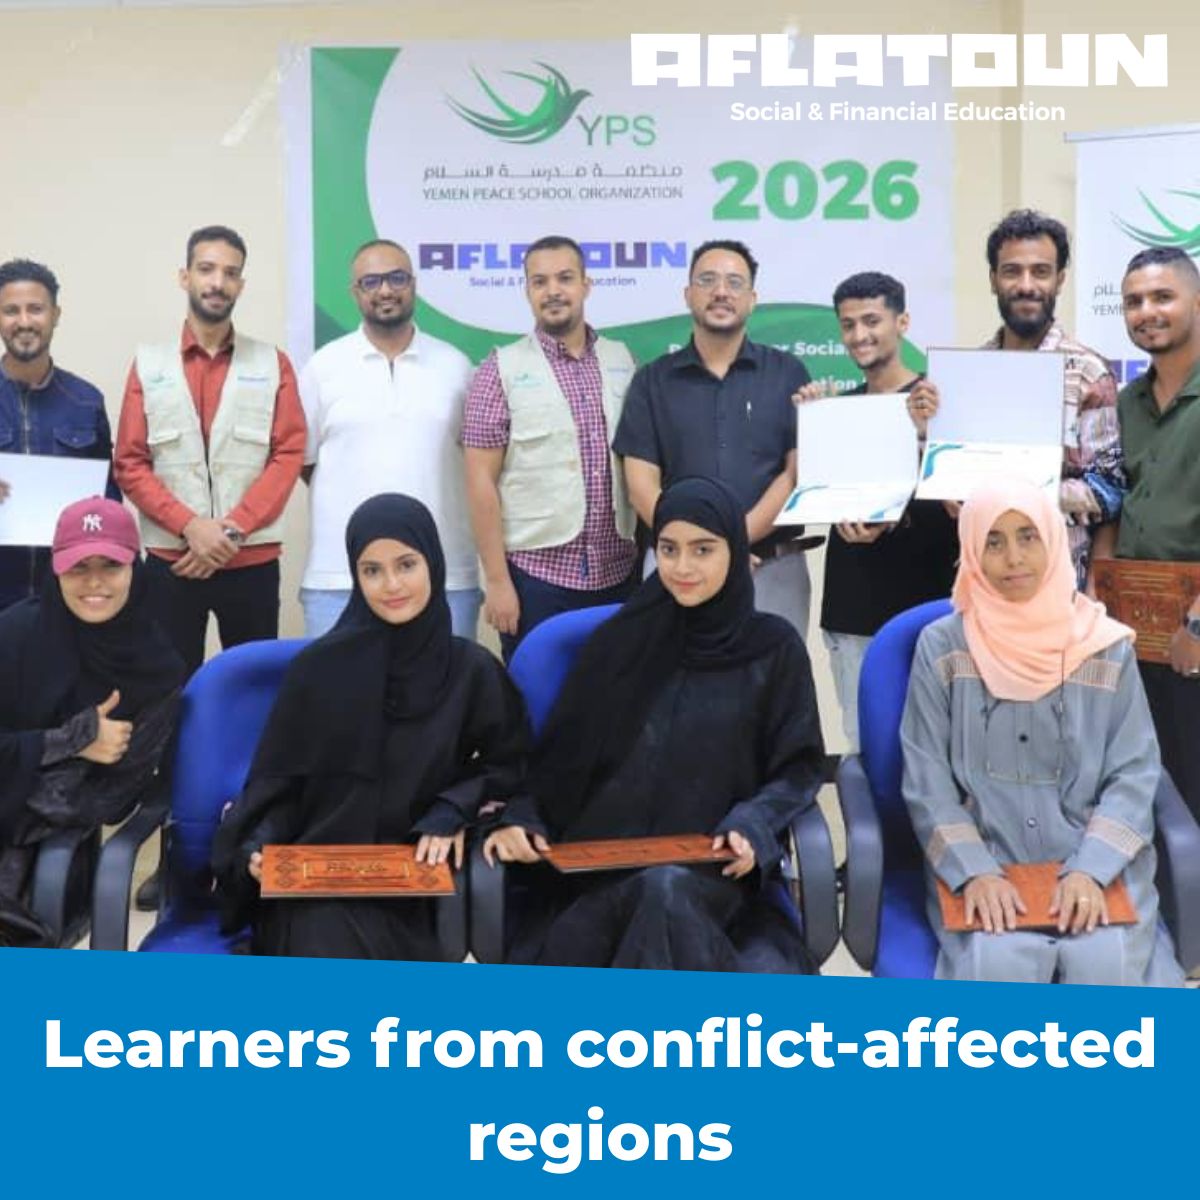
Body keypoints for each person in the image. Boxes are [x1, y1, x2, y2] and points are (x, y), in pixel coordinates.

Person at [484, 476, 826, 972]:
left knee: (665, 891)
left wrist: (755, 823)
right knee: (656, 897)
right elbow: (555, 764)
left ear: (735, 551)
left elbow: (798, 768)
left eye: (702, 550)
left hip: (715, 875)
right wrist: (523, 819)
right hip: (597, 877)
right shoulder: (618, 644)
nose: (682, 567)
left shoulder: (773, 650)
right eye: (669, 549)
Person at [211, 493, 529, 960]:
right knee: (324, 936)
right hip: (317, 882)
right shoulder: (318, 670)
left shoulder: (470, 672)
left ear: (433, 564)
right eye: (372, 570)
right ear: (356, 578)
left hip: (414, 884)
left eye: (406, 565)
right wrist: (256, 849)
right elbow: (280, 787)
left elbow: (513, 765)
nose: (391, 585)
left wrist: (452, 809)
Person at [900, 479, 1181, 986]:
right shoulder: (941, 647)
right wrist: (975, 871)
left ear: (1053, 540)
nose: (1013, 558)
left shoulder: (1105, 647)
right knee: (995, 968)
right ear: (971, 550)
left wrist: (1091, 868)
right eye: (994, 541)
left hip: (1095, 859)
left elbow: (1134, 772)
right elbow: (927, 781)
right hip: (988, 859)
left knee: (1107, 968)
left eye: (1028, 536)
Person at [114, 225, 306, 677]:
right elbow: (130, 461)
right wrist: (192, 527)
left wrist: (229, 532)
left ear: (241, 284)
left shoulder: (272, 363)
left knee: (254, 685)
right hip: (173, 563)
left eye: (230, 273)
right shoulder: (149, 363)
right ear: (185, 277)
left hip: (252, 562)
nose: (218, 282)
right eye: (206, 269)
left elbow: (288, 453)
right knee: (169, 689)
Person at [614, 240, 813, 636]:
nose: (721, 291)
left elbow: (795, 473)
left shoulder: (787, 373)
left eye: (734, 282)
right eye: (707, 280)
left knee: (774, 674)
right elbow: (641, 486)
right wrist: (700, 548)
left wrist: (731, 544)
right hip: (678, 570)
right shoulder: (652, 381)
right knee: (671, 674)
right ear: (688, 294)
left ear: (752, 299)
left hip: (772, 569)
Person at [798, 272, 959, 751]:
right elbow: (823, 493)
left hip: (930, 606)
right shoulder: (838, 410)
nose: (859, 335)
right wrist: (813, 423)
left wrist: (927, 435)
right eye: (848, 325)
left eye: (872, 321)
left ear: (902, 322)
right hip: (853, 608)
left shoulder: (940, 402)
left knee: (940, 752)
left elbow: (966, 502)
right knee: (869, 750)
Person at [921, 211, 1124, 588]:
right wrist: (943, 474)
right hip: (981, 581)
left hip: (1060, 582)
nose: (1026, 285)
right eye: (1012, 271)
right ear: (993, 280)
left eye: (1040, 272)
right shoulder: (967, 374)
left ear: (1060, 279)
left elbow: (1108, 490)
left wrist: (1015, 493)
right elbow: (948, 475)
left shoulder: (1088, 373)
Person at [0, 497, 184, 908]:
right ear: (56, 570)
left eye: (111, 566)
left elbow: (108, 799)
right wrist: (70, 741)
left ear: (134, 569)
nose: (94, 582)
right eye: (78, 567)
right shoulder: (13, 635)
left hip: (49, 863)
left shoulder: (156, 670)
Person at [462, 235, 638, 661]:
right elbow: (480, 481)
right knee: (536, 696)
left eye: (565, 278)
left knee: (614, 695)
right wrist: (498, 582)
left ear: (586, 285)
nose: (553, 291)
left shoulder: (622, 360)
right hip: (536, 581)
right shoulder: (499, 369)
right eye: (539, 282)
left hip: (618, 575)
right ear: (527, 291)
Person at [298, 239, 479, 639]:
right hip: (338, 579)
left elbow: (479, 465)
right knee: (337, 682)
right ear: (355, 292)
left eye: (397, 278)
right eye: (371, 281)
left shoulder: (456, 366)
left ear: (413, 284)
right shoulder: (323, 367)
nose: (385, 290)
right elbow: (304, 462)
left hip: (444, 576)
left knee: (448, 682)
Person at [1112, 246, 1200, 823]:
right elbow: (1115, 504)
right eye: (1133, 301)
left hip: (1194, 628)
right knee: (1156, 794)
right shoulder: (1126, 403)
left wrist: (1197, 624)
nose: (1146, 312)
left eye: (1162, 297)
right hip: (1140, 634)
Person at [0, 259, 119, 611]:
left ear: (55, 315)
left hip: (67, 594)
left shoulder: (86, 401)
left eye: (35, 309)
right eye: (11, 310)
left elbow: (108, 500)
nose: (24, 321)